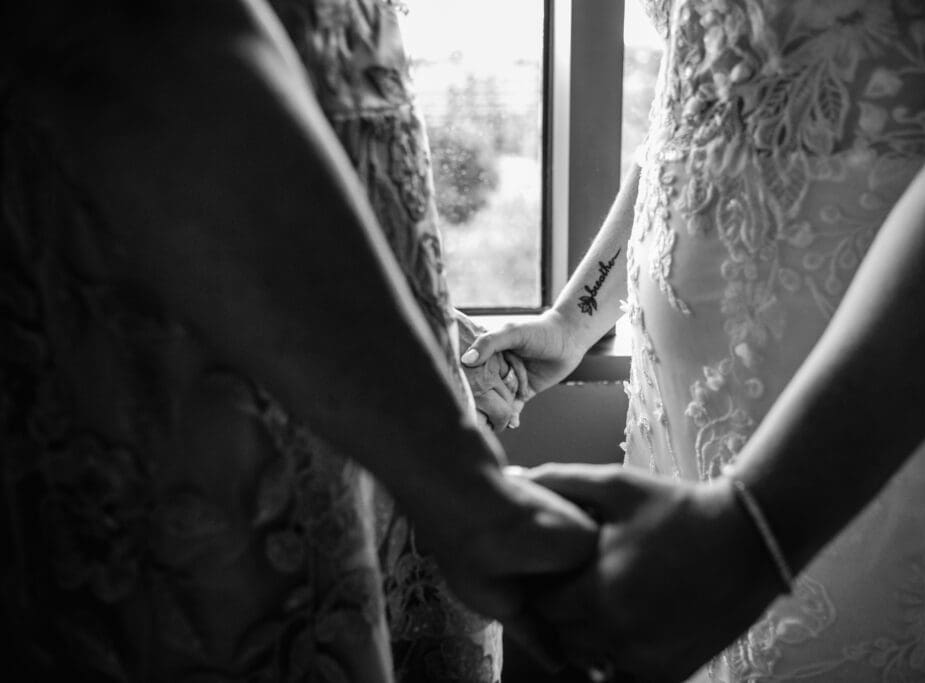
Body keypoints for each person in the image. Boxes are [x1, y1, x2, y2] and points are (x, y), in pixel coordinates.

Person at [0, 1, 593, 681]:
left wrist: (410, 324)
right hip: (194, 305)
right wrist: (463, 483)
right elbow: (157, 53)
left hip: (323, 291)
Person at [464, 0, 925, 680]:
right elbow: (695, 105)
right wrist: (575, 319)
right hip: (686, 432)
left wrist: (756, 527)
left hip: (868, 413)